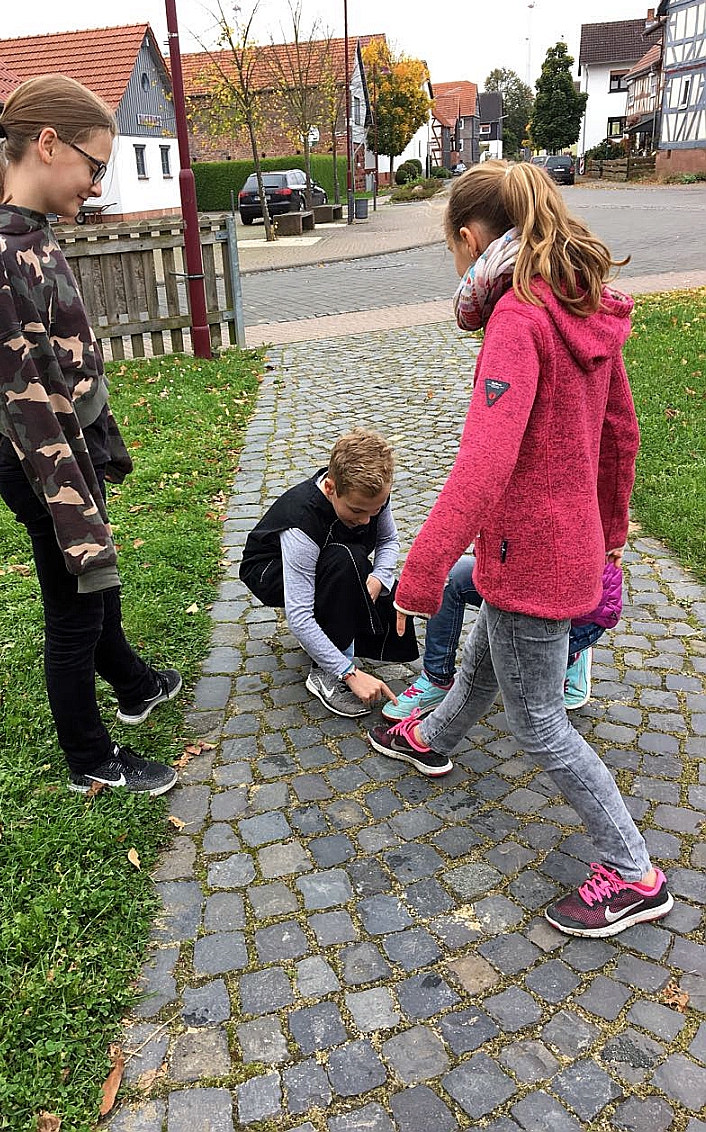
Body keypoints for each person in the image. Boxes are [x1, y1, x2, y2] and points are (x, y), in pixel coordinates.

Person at [369, 160, 673, 938]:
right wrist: (610, 533)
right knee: (485, 661)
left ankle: (632, 872)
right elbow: (622, 435)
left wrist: (421, 572)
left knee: (539, 722)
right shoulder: (580, 305)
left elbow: (485, 461)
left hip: (531, 552)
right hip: (561, 544)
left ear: (471, 239)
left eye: (452, 246)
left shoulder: (518, 317)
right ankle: (429, 738)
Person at [0, 75, 180, 797]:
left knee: (98, 589)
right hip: (45, 462)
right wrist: (72, 499)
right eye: (93, 165)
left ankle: (133, 685)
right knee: (75, 612)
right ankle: (89, 758)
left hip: (70, 449)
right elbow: (26, 399)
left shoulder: (24, 231)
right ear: (47, 144)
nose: (96, 185)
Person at [239, 429, 428, 731]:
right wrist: (348, 672)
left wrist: (378, 578)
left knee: (357, 565)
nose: (366, 520)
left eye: (375, 510)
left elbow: (388, 540)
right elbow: (299, 616)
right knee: (344, 560)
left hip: (329, 557)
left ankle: (331, 637)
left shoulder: (371, 496)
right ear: (330, 488)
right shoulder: (302, 525)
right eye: (357, 510)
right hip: (270, 571)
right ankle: (324, 674)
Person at [381, 553, 607, 722]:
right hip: (511, 583)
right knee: (453, 576)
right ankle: (436, 679)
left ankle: (573, 653)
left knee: (535, 715)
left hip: (569, 607)